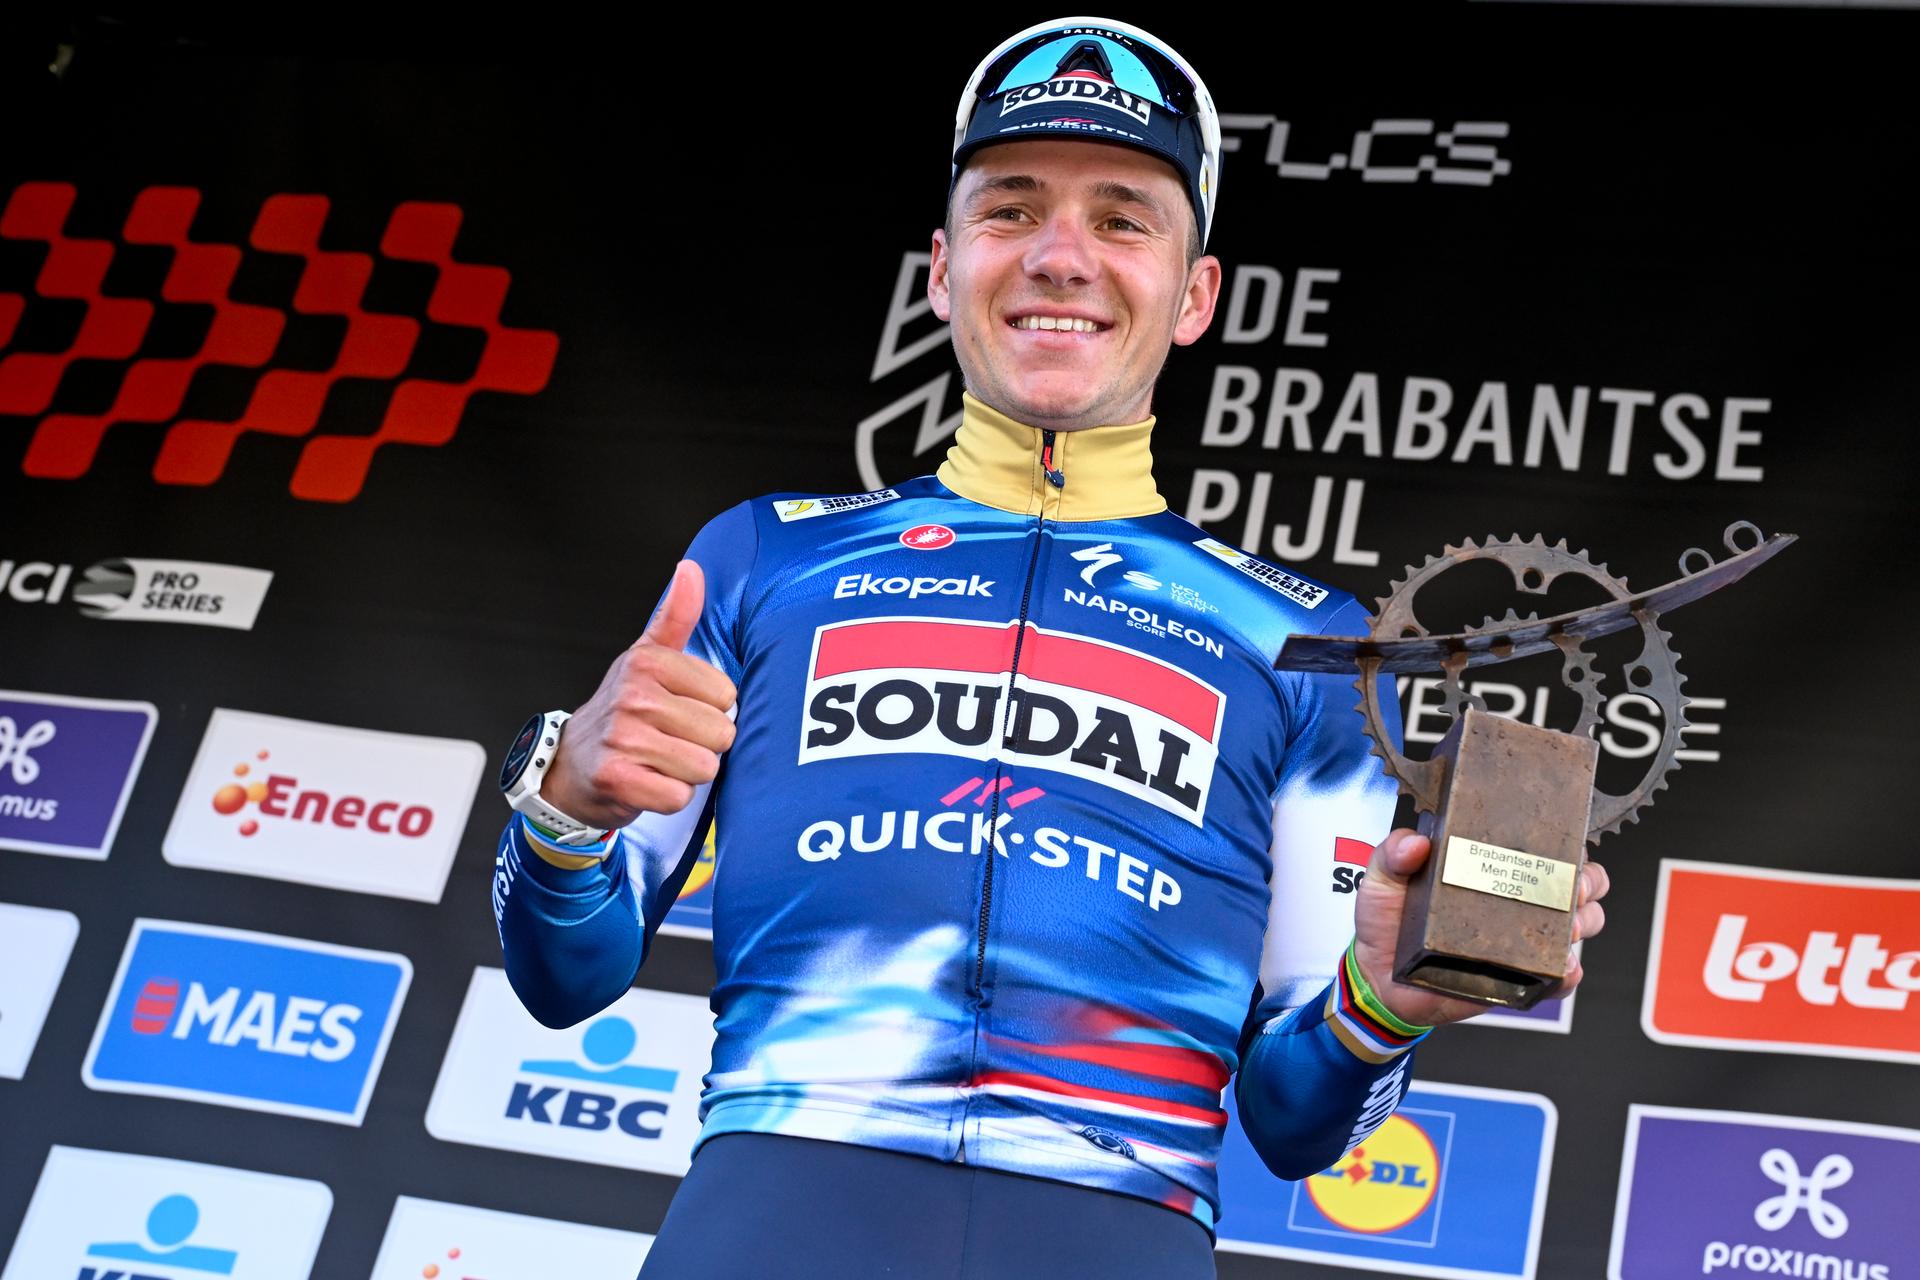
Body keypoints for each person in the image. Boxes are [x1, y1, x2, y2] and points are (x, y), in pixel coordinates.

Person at [490, 17, 1609, 1278]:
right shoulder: (763, 559)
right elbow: (563, 974)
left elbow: (1297, 1121)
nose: (1061, 257)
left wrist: (1384, 1000)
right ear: (941, 266)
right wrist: (566, 808)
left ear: (1195, 296)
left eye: (1123, 218)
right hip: (771, 1214)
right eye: (1012, 208)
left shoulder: (1305, 644)